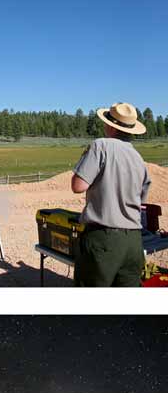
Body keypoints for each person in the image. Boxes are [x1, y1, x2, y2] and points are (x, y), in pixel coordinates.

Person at [71, 101, 150, 286]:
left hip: (103, 239)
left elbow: (78, 185)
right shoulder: (138, 158)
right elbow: (141, 201)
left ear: (111, 126)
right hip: (133, 242)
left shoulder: (101, 146)